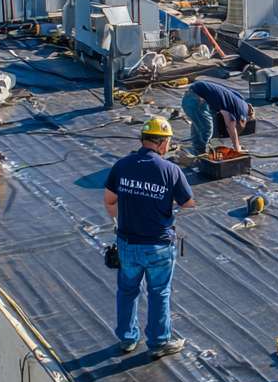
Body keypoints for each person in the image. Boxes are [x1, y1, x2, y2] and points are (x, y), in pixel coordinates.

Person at [103, 117, 196, 358]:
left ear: (144, 140)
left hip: (127, 244)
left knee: (127, 291)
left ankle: (127, 338)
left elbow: (110, 201)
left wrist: (122, 222)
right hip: (158, 245)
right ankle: (158, 342)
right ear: (163, 142)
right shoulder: (170, 171)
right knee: (159, 293)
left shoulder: (122, 166)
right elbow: (188, 203)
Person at [181, 78, 254, 156]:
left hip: (191, 95)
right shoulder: (240, 111)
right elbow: (230, 126)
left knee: (198, 126)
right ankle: (201, 155)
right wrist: (237, 147)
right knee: (207, 129)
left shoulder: (239, 100)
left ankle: (197, 151)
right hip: (196, 99)